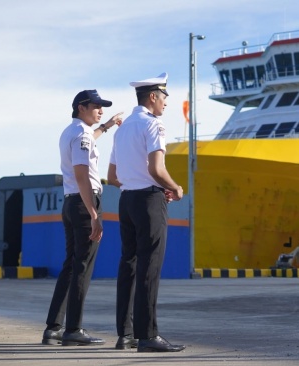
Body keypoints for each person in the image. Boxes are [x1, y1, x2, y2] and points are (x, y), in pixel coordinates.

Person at [107, 72, 185, 353]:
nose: (166, 103)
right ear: (153, 97)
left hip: (126, 201)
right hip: (149, 202)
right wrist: (174, 188)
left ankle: (125, 334)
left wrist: (136, 182)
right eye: (164, 97)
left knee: (128, 264)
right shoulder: (154, 125)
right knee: (149, 266)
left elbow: (112, 175)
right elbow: (157, 169)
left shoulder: (123, 128)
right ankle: (148, 335)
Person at [41, 89, 123, 346]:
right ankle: (73, 330)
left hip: (71, 202)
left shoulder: (73, 131)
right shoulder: (81, 134)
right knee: (83, 267)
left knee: (71, 265)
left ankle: (54, 328)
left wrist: (107, 126)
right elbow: (81, 174)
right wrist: (94, 214)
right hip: (83, 202)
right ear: (81, 107)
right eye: (97, 106)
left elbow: (90, 139)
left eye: (103, 107)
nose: (101, 110)